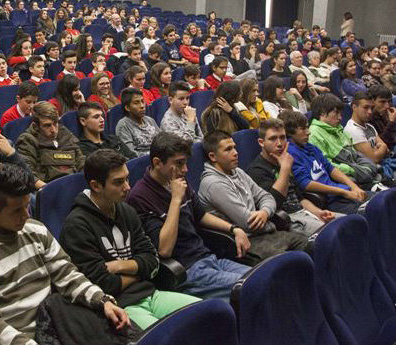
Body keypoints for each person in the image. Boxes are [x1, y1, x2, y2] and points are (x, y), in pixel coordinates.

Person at [0, 163, 130, 345]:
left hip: (61, 324)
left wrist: (101, 300)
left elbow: (67, 275)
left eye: (27, 206)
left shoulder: (35, 229)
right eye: (16, 211)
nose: (26, 215)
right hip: (26, 342)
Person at [60, 149, 200, 330]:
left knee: (209, 316)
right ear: (96, 186)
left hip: (152, 295)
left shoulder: (126, 210)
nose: (127, 187)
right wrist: (139, 270)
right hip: (120, 307)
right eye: (118, 182)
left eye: (127, 178)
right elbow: (102, 283)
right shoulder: (76, 226)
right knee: (166, 342)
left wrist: (119, 266)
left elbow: (152, 261)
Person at [126, 133, 252, 300]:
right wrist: (175, 200)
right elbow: (164, 249)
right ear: (157, 163)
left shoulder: (177, 180)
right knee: (252, 287)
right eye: (179, 163)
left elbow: (201, 216)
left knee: (263, 276)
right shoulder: (139, 197)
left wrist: (234, 229)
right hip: (185, 271)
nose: (185, 169)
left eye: (185, 162)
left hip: (208, 258)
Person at [198, 130, 309, 259]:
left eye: (234, 147)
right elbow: (248, 223)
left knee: (310, 245)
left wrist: (265, 212)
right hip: (245, 242)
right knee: (294, 261)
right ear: (213, 157)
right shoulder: (213, 184)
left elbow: (266, 197)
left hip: (265, 234)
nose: (235, 153)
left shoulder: (237, 172)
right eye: (228, 149)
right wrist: (267, 218)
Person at [248, 118, 341, 237]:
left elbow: (300, 198)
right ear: (261, 142)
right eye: (273, 139)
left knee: (346, 222)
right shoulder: (256, 170)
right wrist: (285, 169)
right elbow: (272, 204)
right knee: (334, 234)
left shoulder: (285, 160)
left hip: (305, 213)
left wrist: (318, 212)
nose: (280, 143)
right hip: (287, 221)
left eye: (282, 137)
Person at [280, 110, 367, 214]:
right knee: (373, 210)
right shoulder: (290, 153)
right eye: (303, 129)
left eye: (307, 127)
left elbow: (330, 168)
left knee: (382, 200)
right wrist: (343, 192)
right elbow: (305, 184)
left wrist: (354, 187)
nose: (308, 132)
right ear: (289, 132)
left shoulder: (309, 146)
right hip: (329, 202)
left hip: (341, 193)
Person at [309, 93, 383, 191]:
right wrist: (353, 170)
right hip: (343, 179)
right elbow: (326, 165)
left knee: (374, 170)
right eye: (336, 113)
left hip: (357, 170)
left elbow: (355, 155)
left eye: (340, 113)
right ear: (322, 113)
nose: (340, 118)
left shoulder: (338, 129)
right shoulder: (314, 134)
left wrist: (364, 167)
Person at [16, 101, 85, 184]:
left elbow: (81, 163)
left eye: (55, 123)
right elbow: (28, 173)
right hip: (47, 188)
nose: (53, 130)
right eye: (47, 125)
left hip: (74, 185)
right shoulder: (28, 140)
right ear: (35, 126)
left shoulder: (66, 135)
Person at [344, 92, 392, 166]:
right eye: (366, 107)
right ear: (354, 107)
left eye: (372, 108)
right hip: (373, 173)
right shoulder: (353, 130)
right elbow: (374, 158)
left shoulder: (369, 126)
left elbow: (387, 151)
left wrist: (380, 150)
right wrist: (383, 147)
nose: (370, 112)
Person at [115, 87, 160, 157]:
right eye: (136, 103)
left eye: (142, 101)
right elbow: (130, 154)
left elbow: (162, 141)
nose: (142, 106)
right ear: (127, 108)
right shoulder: (123, 125)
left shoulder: (150, 120)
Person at [368, 85, 396, 151]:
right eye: (382, 102)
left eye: (389, 101)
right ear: (372, 102)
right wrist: (391, 122)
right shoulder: (367, 119)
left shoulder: (390, 112)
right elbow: (382, 143)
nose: (387, 106)